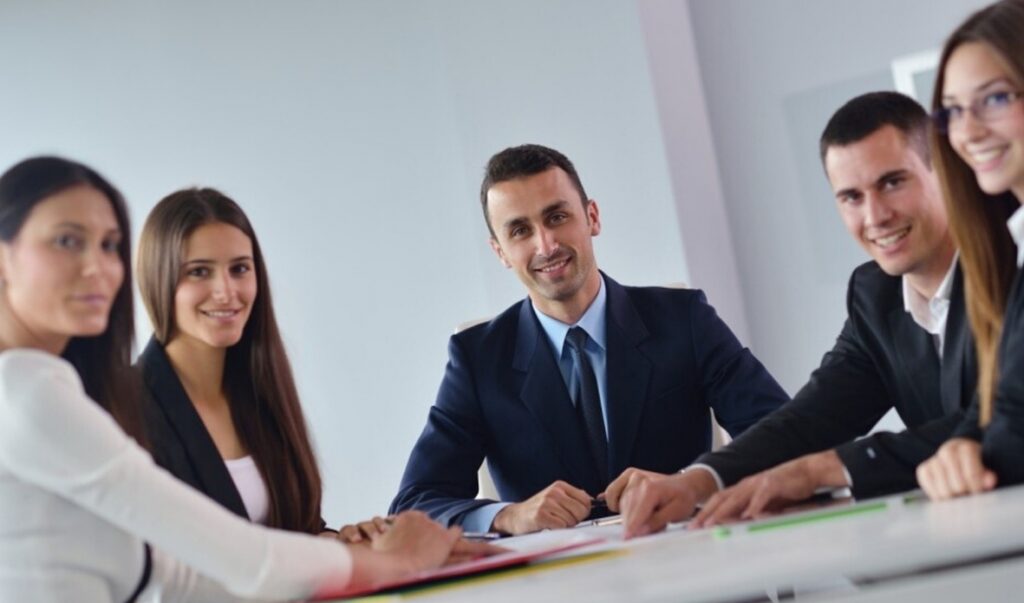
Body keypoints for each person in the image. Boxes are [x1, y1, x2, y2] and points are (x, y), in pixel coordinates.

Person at [0, 156, 486, 602]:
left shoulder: (253, 389)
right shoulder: (30, 394)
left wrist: (349, 549)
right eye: (67, 240)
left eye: (109, 245)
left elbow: (173, 572)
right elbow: (238, 561)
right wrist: (395, 560)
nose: (99, 267)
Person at [609, 91, 981, 537]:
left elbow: (1000, 420)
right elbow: (813, 417)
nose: (875, 216)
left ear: (943, 170)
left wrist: (822, 470)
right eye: (850, 197)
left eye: (892, 183)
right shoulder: (874, 292)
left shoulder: (1008, 269)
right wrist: (698, 480)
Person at [389, 143, 788, 535]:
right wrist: (509, 516)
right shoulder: (476, 360)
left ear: (592, 217)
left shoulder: (684, 319)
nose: (545, 245)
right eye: (520, 230)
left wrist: (691, 481)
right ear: (501, 252)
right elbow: (414, 503)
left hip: (696, 570)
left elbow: (784, 437)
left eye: (557, 216)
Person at [136, 188, 330, 534]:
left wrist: (346, 541)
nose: (226, 292)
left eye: (240, 268)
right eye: (199, 272)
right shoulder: (129, 409)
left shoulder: (259, 387)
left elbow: (300, 530)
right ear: (158, 279)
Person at [916, 0, 1024, 500]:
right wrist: (964, 444)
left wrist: (974, 455)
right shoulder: (1012, 251)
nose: (969, 130)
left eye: (995, 98)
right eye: (955, 110)